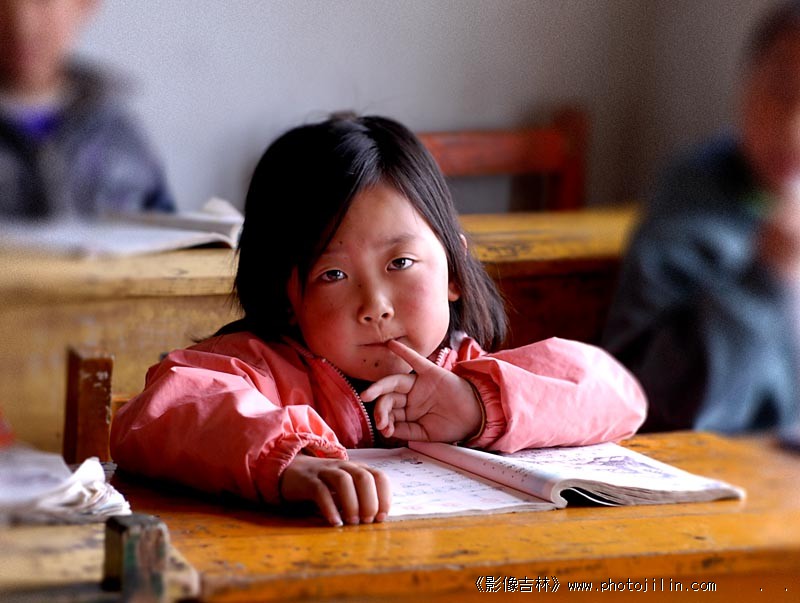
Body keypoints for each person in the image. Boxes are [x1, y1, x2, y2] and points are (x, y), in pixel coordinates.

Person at [111, 114, 646, 527]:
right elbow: (159, 411)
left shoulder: (470, 371)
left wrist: (476, 405)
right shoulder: (260, 369)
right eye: (333, 274)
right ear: (289, 296)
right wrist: (288, 461)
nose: (375, 305)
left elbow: (618, 395)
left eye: (401, 263)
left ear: (454, 271)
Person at [602, 1, 800, 433]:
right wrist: (764, 277)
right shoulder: (690, 207)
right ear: (746, 85)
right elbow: (643, 399)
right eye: (781, 90)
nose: (791, 125)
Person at [0, 0, 173, 219]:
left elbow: (164, 225)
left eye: (42, 2)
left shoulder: (119, 131)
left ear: (85, 4)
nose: (23, 25)